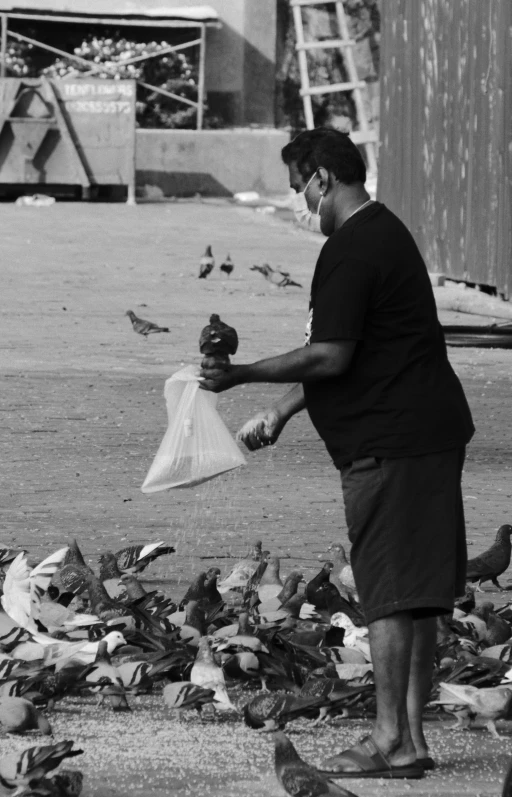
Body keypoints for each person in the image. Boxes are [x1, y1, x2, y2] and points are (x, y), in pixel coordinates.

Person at [199, 128, 474, 779]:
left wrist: (240, 377)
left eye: (299, 189)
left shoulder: (352, 250)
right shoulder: (385, 233)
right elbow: (360, 350)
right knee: (416, 596)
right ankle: (409, 739)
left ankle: (390, 739)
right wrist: (285, 407)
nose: (300, 202)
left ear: (321, 178)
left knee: (385, 593)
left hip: (391, 446)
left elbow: (332, 353)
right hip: (426, 435)